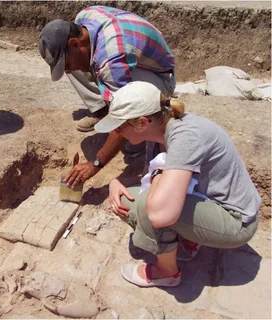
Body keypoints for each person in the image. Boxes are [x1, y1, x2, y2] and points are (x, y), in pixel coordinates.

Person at [94, 81, 261, 287]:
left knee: (147, 206)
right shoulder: (159, 133)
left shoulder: (185, 138)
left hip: (237, 222)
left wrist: (158, 174)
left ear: (142, 123)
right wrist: (116, 181)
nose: (117, 132)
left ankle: (166, 273)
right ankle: (190, 241)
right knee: (127, 197)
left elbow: (159, 213)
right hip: (213, 201)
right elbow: (149, 176)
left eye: (119, 126)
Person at [39, 5, 176, 188]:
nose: (68, 69)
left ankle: (138, 144)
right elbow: (82, 60)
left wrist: (96, 164)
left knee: (126, 112)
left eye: (66, 62)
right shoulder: (82, 19)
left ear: (74, 43)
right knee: (76, 66)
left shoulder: (111, 60)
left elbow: (127, 112)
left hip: (159, 77)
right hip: (125, 59)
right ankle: (104, 110)